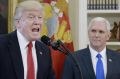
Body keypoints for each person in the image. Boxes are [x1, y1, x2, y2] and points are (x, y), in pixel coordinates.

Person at [0, 1, 56, 79]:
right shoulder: (2, 45)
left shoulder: (45, 50)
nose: (37, 22)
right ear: (18, 23)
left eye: (40, 17)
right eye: (31, 17)